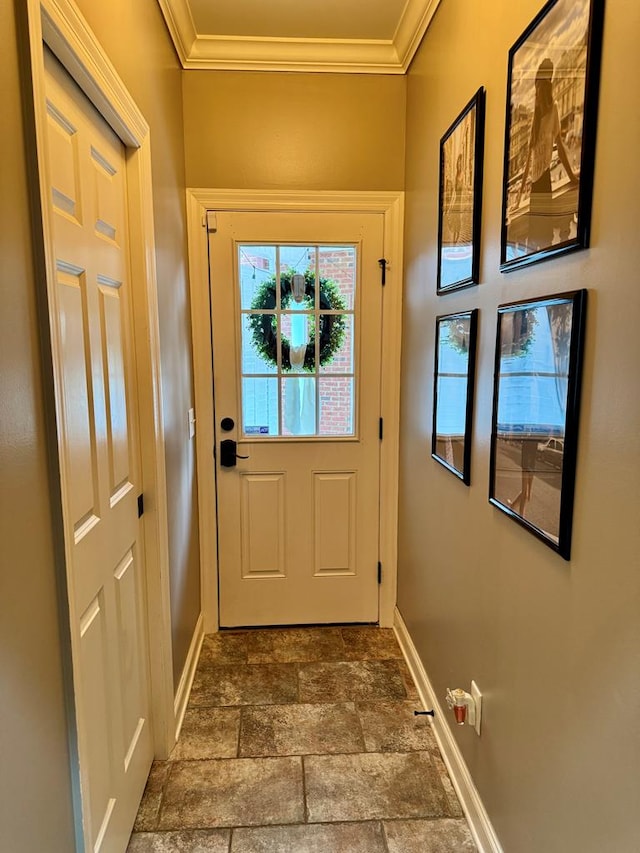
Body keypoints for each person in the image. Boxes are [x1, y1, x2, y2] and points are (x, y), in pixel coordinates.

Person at [513, 58, 579, 249]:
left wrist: (571, 177)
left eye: (540, 85)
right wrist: (518, 199)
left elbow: (533, 159)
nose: (539, 90)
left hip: (539, 182)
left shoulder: (548, 112)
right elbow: (530, 160)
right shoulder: (541, 115)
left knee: (540, 236)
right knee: (540, 237)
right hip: (539, 183)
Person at [446, 153, 464, 244]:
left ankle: (454, 243)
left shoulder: (463, 175)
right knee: (454, 225)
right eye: (458, 163)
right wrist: (450, 206)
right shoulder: (456, 175)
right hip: (456, 202)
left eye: (461, 163)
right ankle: (454, 243)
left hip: (460, 203)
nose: (459, 164)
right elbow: (454, 193)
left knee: (458, 226)